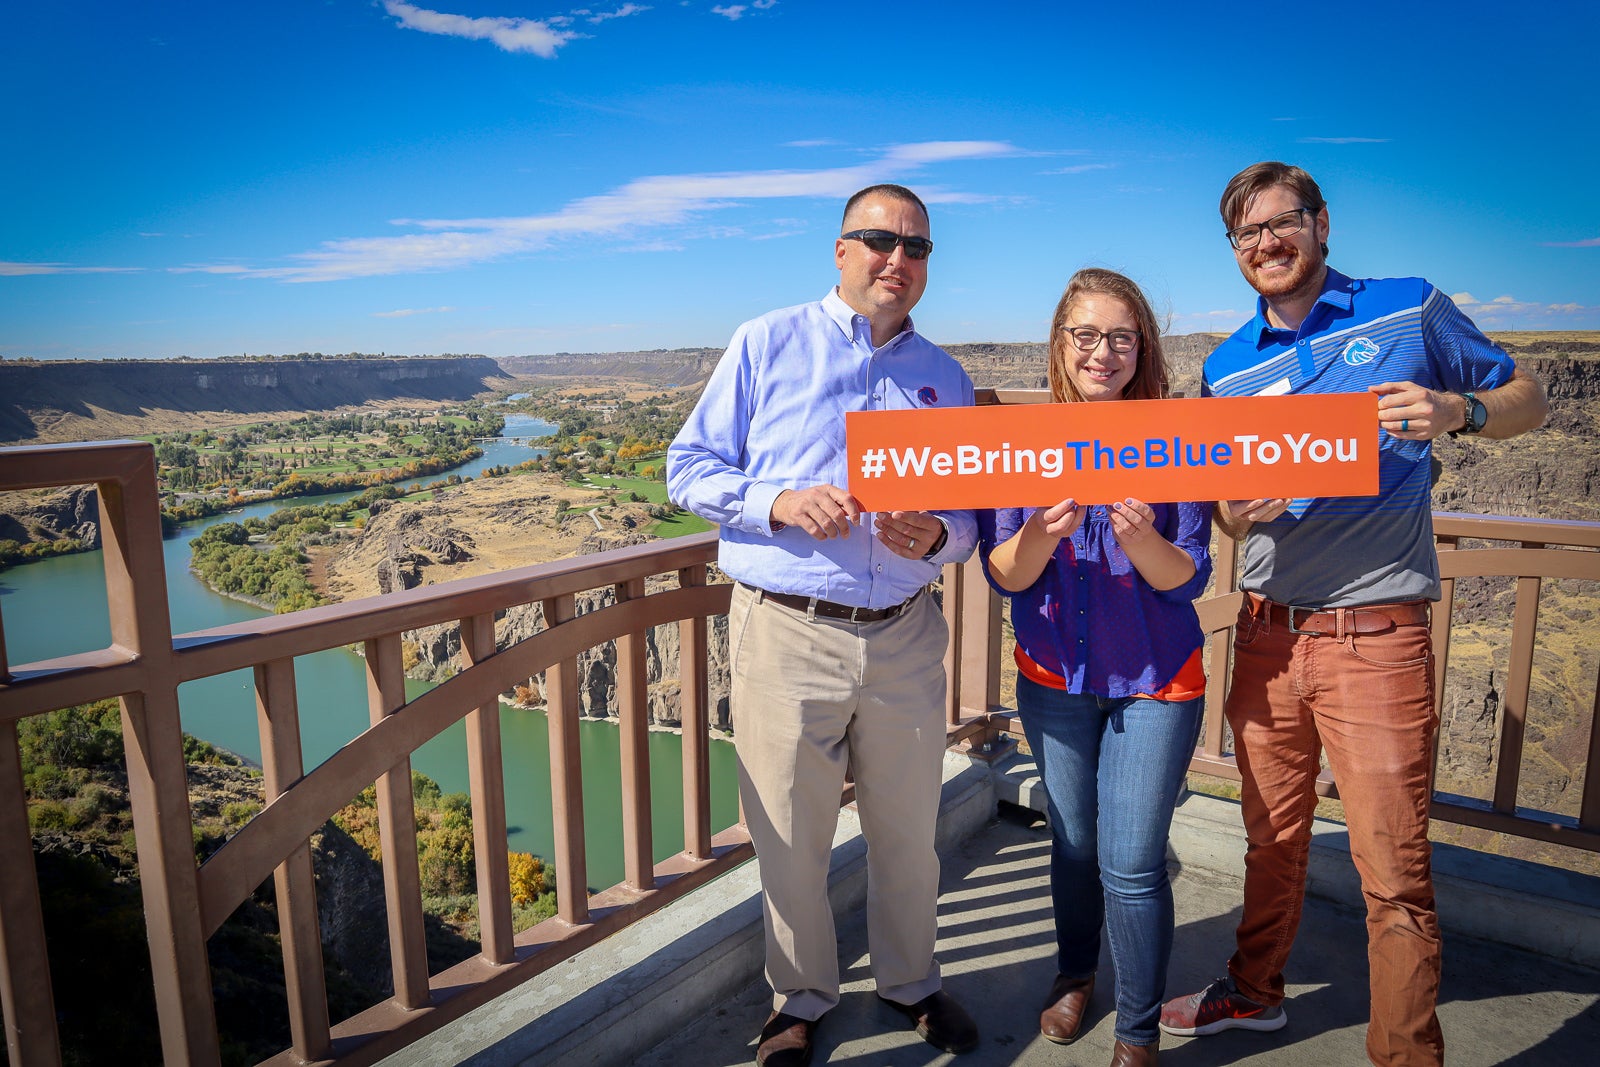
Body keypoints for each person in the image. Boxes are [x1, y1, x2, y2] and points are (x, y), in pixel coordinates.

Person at [1159, 162, 1549, 1065]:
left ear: (1320, 222)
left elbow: (1529, 395)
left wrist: (1462, 408)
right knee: (1271, 839)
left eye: (1280, 223)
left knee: (1394, 873)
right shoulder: (1228, 364)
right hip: (1264, 636)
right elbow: (1224, 504)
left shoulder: (1408, 308)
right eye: (1246, 234)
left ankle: (1405, 1052)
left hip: (1375, 640)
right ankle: (1255, 992)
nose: (1265, 244)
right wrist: (1233, 510)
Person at [667, 184, 981, 1067]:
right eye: (879, 240)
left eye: (916, 247)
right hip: (787, 633)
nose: (898, 259)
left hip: (907, 631)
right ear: (840, 251)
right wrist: (778, 501)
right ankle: (800, 998)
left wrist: (941, 533)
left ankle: (911, 982)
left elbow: (968, 518)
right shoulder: (767, 342)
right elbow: (686, 468)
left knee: (907, 827)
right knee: (792, 837)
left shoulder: (946, 377)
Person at [980, 268, 1212, 1067]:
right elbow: (1004, 571)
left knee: (1133, 861)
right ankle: (1076, 973)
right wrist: (1043, 533)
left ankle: (1138, 1032)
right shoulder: (1018, 443)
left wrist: (1143, 536)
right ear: (1060, 344)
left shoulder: (1176, 438)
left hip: (1156, 681)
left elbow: (1190, 577)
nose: (1102, 351)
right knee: (1074, 843)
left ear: (1140, 345)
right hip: (1053, 682)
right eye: (1086, 335)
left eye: (1120, 336)